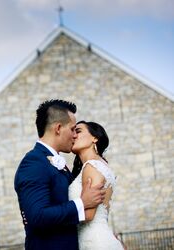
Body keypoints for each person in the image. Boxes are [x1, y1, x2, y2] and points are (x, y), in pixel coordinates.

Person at [14, 99, 105, 250]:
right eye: (72, 129)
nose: (75, 135)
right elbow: (38, 216)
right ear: (58, 128)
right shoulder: (33, 163)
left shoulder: (54, 162)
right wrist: (82, 203)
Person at [69, 121, 124, 249]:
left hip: (95, 243)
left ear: (94, 138)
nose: (74, 135)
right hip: (101, 237)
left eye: (78, 131)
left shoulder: (91, 166)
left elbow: (88, 215)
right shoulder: (101, 165)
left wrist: (51, 215)